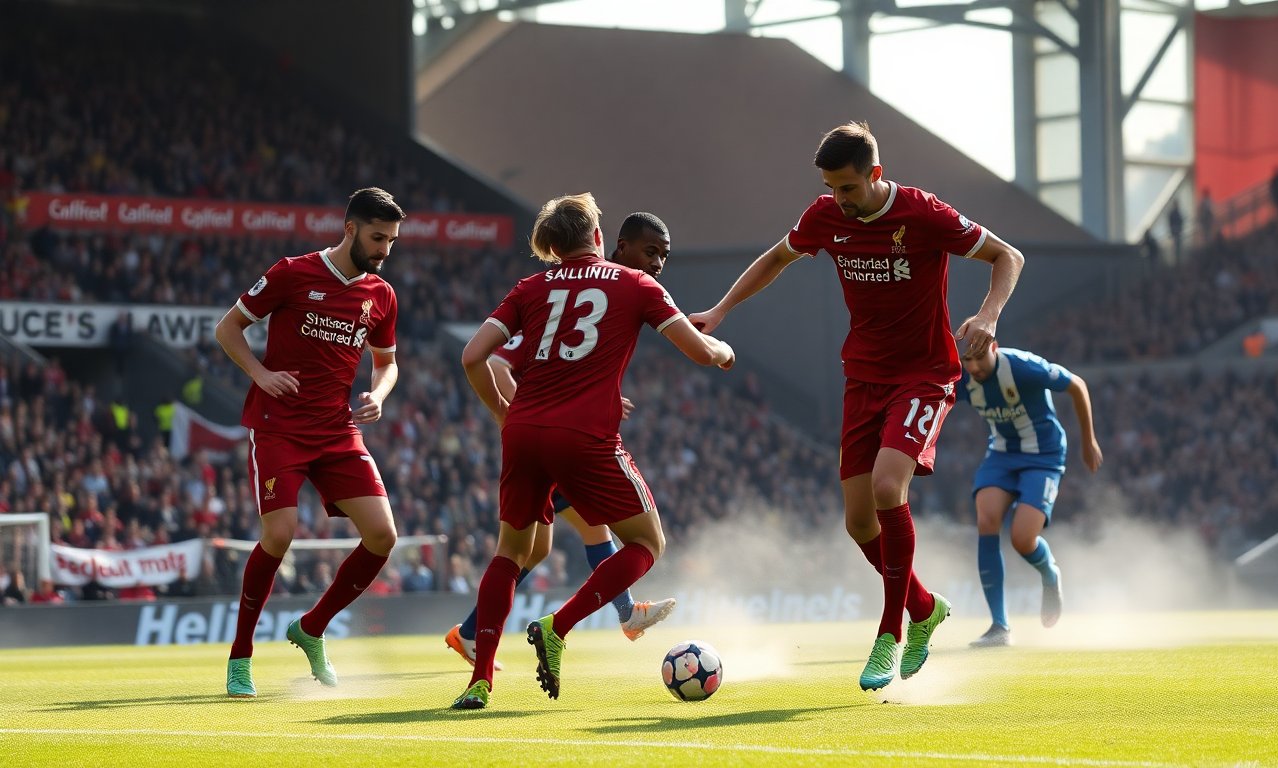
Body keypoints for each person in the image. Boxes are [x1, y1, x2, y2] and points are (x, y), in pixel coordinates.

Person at [689, 121, 1023, 692]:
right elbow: (774, 259)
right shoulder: (825, 216)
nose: (837, 199)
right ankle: (925, 607)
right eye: (830, 187)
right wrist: (719, 313)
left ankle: (890, 634)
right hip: (863, 376)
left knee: (889, 489)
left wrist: (989, 316)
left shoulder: (922, 214)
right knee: (857, 520)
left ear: (875, 174)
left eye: (846, 187)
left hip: (922, 374)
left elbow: (1006, 256)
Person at [450, 193, 734, 710]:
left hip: (524, 431)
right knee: (647, 542)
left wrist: (503, 415)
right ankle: (559, 626)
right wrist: (724, 350)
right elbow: (698, 350)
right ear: (601, 240)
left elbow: (474, 356)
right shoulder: (636, 284)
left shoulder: (531, 286)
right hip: (584, 438)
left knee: (509, 554)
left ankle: (480, 679)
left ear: (553, 247)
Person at [214, 187, 405, 699]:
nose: (385, 249)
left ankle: (312, 627)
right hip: (279, 426)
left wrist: (379, 395)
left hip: (338, 430)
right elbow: (228, 329)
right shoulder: (292, 273)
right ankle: (240, 657)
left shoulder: (381, 294)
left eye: (391, 240)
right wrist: (260, 372)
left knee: (383, 536)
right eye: (377, 237)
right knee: (280, 534)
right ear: (350, 230)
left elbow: (386, 364)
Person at [957, 342, 1102, 647]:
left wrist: (1087, 441)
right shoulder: (962, 378)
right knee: (986, 519)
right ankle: (999, 626)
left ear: (993, 347)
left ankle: (1049, 573)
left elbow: (1076, 385)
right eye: (967, 360)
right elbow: (933, 398)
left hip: (1044, 456)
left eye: (980, 358)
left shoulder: (1023, 366)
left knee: (1022, 539)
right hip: (1001, 455)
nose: (974, 368)